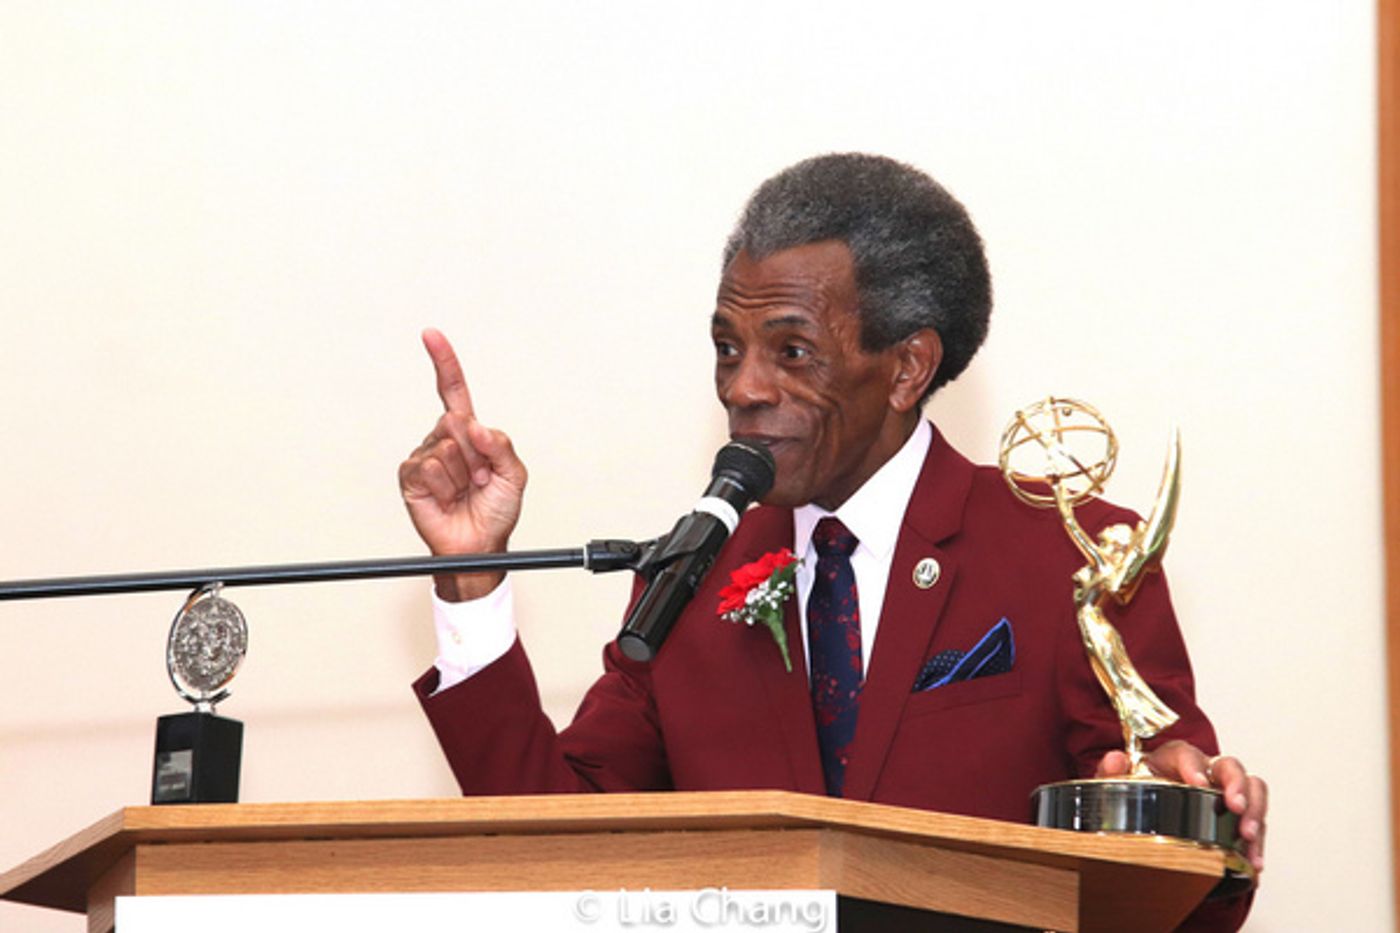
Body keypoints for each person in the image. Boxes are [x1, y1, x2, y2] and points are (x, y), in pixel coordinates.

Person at [400, 154, 1266, 929]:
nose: (743, 386)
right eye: (728, 347)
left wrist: (1197, 814)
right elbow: (556, 846)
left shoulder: (1068, 554)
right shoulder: (694, 576)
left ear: (907, 367)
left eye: (791, 351)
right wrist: (470, 578)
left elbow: (1180, 879)